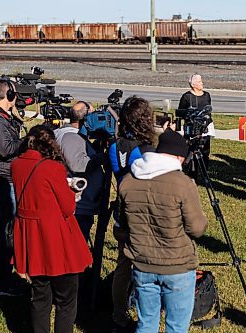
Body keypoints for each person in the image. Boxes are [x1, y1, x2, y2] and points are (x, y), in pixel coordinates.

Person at [119, 128, 208, 333]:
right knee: (176, 327)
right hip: (178, 265)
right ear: (178, 157)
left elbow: (122, 225)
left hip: (142, 263)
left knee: (146, 324)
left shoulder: (129, 180)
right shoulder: (183, 183)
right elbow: (197, 228)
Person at [11, 125, 92, 333]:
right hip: (56, 238)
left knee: (40, 296)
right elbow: (67, 207)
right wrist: (71, 190)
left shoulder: (17, 165)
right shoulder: (52, 167)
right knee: (66, 299)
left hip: (31, 238)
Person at [108, 96, 155, 332]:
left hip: (122, 212)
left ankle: (118, 313)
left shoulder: (116, 146)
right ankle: (147, 315)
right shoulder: (146, 149)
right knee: (146, 267)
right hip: (143, 215)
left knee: (123, 266)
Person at [0, 79, 26, 296]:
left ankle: (1, 273)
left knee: (5, 229)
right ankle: (1, 281)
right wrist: (27, 142)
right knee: (6, 231)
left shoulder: (4, 116)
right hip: (2, 179)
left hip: (4, 177)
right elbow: (4, 148)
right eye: (14, 94)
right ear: (8, 95)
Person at [54, 101, 104, 241]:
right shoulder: (71, 137)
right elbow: (78, 165)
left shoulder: (69, 135)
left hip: (81, 204)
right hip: (78, 206)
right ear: (86, 118)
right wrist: (101, 158)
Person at [178, 73, 214, 178]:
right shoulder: (186, 96)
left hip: (205, 127)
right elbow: (181, 112)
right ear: (193, 85)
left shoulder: (207, 95)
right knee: (190, 151)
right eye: (199, 81)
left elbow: (209, 111)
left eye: (201, 80)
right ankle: (190, 173)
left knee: (205, 151)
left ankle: (204, 173)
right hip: (191, 128)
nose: (202, 83)